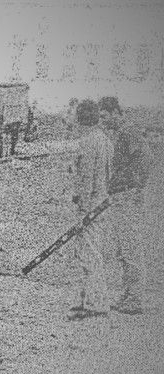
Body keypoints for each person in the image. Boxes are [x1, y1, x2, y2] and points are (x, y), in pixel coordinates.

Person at [101, 96, 150, 315]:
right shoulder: (121, 133)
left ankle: (135, 298)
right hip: (121, 195)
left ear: (116, 112)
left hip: (128, 196)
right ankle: (129, 294)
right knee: (124, 247)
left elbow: (145, 160)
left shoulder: (128, 131)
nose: (103, 121)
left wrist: (133, 185)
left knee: (130, 247)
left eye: (105, 116)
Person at [69, 99, 112, 320]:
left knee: (89, 255)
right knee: (93, 253)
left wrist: (83, 210)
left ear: (80, 118)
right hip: (101, 203)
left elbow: (87, 179)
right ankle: (89, 300)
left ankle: (97, 303)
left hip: (90, 207)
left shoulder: (87, 142)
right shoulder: (104, 139)